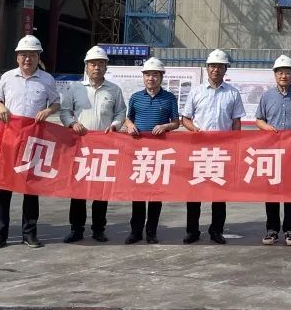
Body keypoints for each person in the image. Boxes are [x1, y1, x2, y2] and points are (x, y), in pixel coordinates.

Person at [0, 35, 60, 249]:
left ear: (38, 57)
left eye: (32, 55)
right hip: (10, 140)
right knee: (5, 188)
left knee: (31, 189)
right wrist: (0, 107)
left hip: (34, 142)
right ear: (17, 57)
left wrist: (48, 111)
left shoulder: (47, 79)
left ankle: (29, 233)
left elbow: (56, 103)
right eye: (23, 55)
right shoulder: (7, 77)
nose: (27, 59)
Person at [59, 46, 127, 243]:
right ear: (86, 66)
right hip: (80, 146)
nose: (96, 67)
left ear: (106, 67)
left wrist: (115, 125)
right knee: (78, 190)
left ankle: (98, 229)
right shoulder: (75, 88)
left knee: (101, 191)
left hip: (104, 147)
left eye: (100, 64)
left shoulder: (114, 90)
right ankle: (76, 229)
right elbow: (65, 111)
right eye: (93, 64)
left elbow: (120, 112)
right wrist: (72, 123)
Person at [180, 49, 245, 245]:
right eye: (212, 66)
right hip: (199, 150)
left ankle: (216, 230)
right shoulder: (196, 91)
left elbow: (236, 122)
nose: (215, 69)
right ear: (207, 68)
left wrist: (235, 146)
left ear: (226, 69)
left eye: (220, 66)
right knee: (194, 192)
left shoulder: (233, 93)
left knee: (219, 193)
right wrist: (196, 130)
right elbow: (185, 119)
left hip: (222, 151)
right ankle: (192, 231)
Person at [254, 54, 291, 246]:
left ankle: (290, 230)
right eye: (280, 72)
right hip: (272, 152)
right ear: (275, 75)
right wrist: (266, 127)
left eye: (287, 72)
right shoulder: (267, 96)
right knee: (271, 191)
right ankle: (272, 230)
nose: (283, 76)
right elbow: (259, 119)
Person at [122, 57, 180, 244]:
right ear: (143, 77)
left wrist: (165, 126)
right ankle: (135, 232)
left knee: (156, 193)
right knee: (138, 193)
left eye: (155, 75)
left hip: (159, 153)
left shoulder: (169, 98)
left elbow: (176, 122)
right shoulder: (136, 97)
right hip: (139, 153)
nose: (150, 78)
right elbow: (128, 118)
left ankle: (152, 232)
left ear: (161, 77)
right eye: (147, 74)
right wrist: (129, 125)